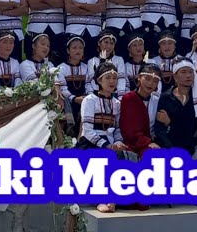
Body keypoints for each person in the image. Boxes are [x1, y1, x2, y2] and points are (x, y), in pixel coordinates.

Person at [77, 62, 137, 214]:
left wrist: (117, 142)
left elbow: (117, 129)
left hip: (110, 142)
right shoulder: (89, 100)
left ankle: (115, 198)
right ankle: (102, 199)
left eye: (115, 78)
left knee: (123, 156)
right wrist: (106, 145)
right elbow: (87, 130)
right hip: (90, 142)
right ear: (99, 81)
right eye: (108, 78)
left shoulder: (116, 103)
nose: (112, 81)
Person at [154, 59, 197, 156]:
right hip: (170, 149)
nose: (188, 75)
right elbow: (160, 130)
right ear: (175, 76)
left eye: (190, 72)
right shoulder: (166, 97)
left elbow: (193, 128)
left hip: (192, 148)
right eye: (183, 72)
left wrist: (170, 123)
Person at [119, 62, 163, 163]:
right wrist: (147, 143)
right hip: (132, 143)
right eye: (147, 79)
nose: (151, 83)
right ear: (139, 78)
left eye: (155, 81)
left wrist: (166, 122)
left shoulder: (157, 100)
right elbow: (128, 130)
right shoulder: (128, 98)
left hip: (151, 143)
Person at [57, 35, 91, 136]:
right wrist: (74, 98)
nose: (78, 50)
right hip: (69, 100)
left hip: (84, 99)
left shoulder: (86, 68)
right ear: (68, 50)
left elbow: (89, 84)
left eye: (81, 48)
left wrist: (88, 96)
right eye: (74, 47)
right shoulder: (61, 68)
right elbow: (63, 88)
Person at [87, 30, 126, 95]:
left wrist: (120, 96)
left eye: (111, 43)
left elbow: (121, 79)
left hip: (115, 94)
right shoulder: (92, 61)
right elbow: (90, 81)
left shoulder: (118, 60)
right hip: (97, 94)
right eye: (106, 42)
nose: (108, 46)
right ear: (99, 43)